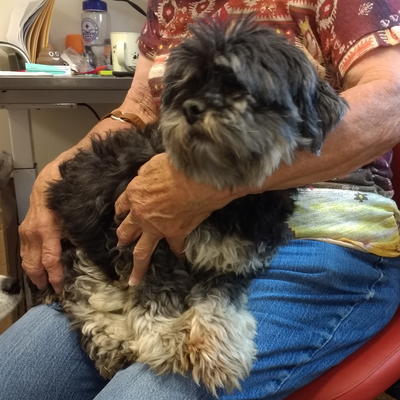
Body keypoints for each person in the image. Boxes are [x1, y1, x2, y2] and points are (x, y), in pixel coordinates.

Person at [1, 1, 400, 399]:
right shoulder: (171, 7)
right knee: (15, 376)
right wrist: (53, 175)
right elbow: (138, 109)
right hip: (170, 229)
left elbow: (393, 101)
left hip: (327, 225)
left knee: (146, 391)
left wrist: (208, 184)